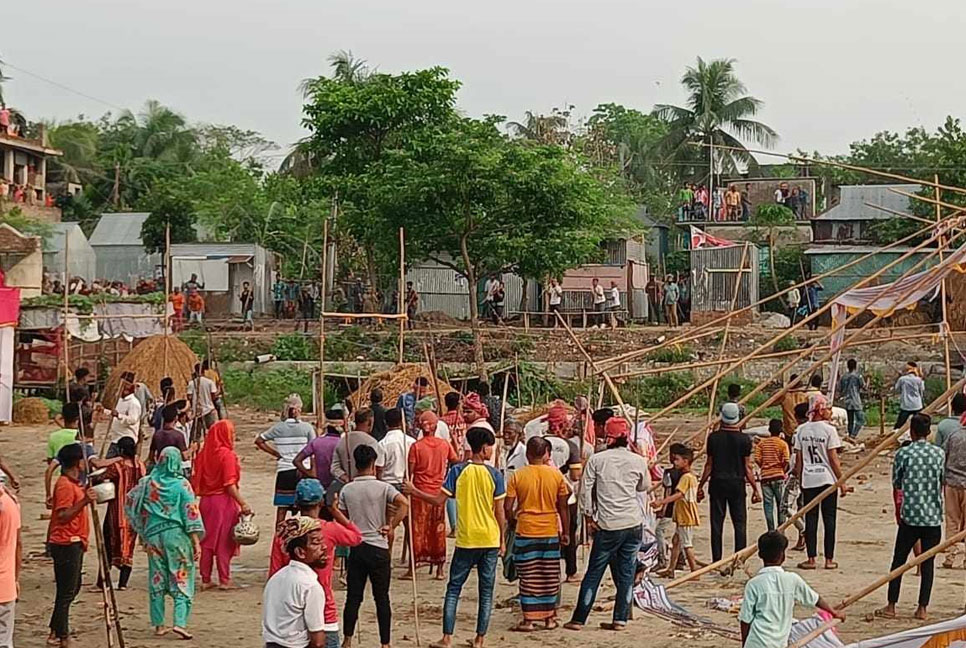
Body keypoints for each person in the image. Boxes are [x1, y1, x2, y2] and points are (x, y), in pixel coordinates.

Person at [405, 426, 505, 648]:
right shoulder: (495, 475)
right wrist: (502, 541)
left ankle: (447, 637)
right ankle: (479, 639)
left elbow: (438, 501)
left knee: (454, 589)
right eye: (490, 447)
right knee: (486, 592)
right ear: (484, 448)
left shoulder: (458, 472)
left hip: (467, 539)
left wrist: (415, 491)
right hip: (489, 538)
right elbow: (500, 513)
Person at [565, 417, 649, 632]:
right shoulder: (638, 460)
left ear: (608, 437)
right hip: (633, 523)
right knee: (626, 572)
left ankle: (579, 619)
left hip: (609, 524)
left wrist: (589, 516)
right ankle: (620, 618)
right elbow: (644, 487)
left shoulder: (597, 459)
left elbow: (585, 491)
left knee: (594, 573)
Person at [268, 480, 362, 648]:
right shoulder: (329, 529)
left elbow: (274, 574)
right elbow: (356, 537)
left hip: (291, 617)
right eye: (317, 543)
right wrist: (335, 511)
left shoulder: (284, 533)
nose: (323, 547)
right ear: (320, 502)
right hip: (323, 612)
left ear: (296, 503)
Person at [124, 446, 204, 639]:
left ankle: (159, 624)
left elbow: (130, 501)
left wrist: (143, 527)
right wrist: (195, 542)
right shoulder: (181, 485)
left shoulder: (147, 483)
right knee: (182, 576)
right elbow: (190, 513)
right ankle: (180, 622)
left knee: (157, 578)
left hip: (153, 537)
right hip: (176, 537)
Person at [339, 445, 409, 648]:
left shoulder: (347, 489)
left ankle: (347, 639)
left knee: (353, 597)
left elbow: (342, 517)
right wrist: (391, 525)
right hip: (378, 547)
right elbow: (404, 503)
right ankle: (385, 643)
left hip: (358, 547)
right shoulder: (383, 487)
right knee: (382, 598)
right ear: (373, 464)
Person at [876, 414, 944, 621]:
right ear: (929, 432)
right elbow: (943, 481)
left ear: (912, 432)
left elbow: (897, 482)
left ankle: (891, 605)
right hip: (933, 516)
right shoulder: (939, 454)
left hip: (910, 515)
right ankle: (922, 608)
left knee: (899, 560)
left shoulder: (903, 454)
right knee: (928, 563)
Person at [505, 436, 570, 631]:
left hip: (526, 529)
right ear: (545, 454)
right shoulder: (556, 476)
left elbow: (508, 506)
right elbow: (564, 507)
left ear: (527, 454)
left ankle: (529, 619)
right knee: (549, 574)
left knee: (528, 574)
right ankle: (549, 618)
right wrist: (565, 531)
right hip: (549, 529)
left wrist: (513, 520)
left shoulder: (518, 476)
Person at [739, 531, 844, 648]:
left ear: (760, 555)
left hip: (756, 642)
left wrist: (744, 644)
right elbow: (815, 599)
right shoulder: (792, 579)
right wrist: (834, 612)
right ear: (783, 556)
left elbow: (745, 620)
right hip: (779, 643)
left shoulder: (753, 584)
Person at [191, 420, 252, 590]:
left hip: (206, 502)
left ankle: (205, 578)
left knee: (207, 541)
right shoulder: (227, 456)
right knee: (224, 542)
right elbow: (229, 485)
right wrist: (243, 503)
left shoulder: (204, 454)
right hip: (223, 502)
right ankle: (225, 579)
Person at [47, 444, 96, 647]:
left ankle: (55, 629)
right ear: (77, 462)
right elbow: (63, 515)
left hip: (75, 540)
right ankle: (62, 635)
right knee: (66, 591)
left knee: (72, 588)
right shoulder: (65, 485)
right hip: (66, 542)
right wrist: (84, 501)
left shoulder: (74, 483)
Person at [698, 402, 761, 562]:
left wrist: (700, 485)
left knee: (716, 523)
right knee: (740, 523)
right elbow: (747, 467)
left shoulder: (713, 438)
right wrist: (755, 488)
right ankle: (739, 558)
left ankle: (717, 559)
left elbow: (709, 465)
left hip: (717, 483)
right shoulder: (744, 439)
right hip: (737, 484)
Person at [793, 401, 845, 570]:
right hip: (827, 479)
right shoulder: (829, 430)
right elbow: (833, 459)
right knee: (830, 520)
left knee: (811, 519)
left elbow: (799, 460)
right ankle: (829, 559)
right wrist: (842, 482)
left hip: (809, 480)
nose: (830, 412)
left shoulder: (801, 430)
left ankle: (812, 558)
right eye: (827, 409)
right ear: (819, 411)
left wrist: (800, 480)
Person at [262, 516, 328, 648]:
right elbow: (318, 642)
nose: (324, 547)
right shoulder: (310, 586)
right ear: (300, 552)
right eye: (316, 543)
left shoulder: (276, 578)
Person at [407, 410, 458, 579]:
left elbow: (409, 472)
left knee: (418, 530)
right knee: (438, 529)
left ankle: (414, 566)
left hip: (419, 493)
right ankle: (440, 570)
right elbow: (456, 460)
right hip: (438, 493)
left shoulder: (416, 446)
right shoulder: (444, 444)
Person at [96, 436, 146, 590]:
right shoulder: (140, 466)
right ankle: (123, 583)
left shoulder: (117, 467)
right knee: (128, 546)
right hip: (133, 513)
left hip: (116, 512)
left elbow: (99, 477)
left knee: (108, 545)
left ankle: (102, 581)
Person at [257, 401, 318, 526]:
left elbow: (259, 441)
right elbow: (313, 450)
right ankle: (303, 535)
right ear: (299, 410)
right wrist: (313, 470)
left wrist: (276, 453)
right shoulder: (307, 428)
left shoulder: (278, 428)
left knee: (282, 508)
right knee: (305, 508)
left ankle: (278, 539)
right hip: (303, 470)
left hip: (284, 470)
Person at [651, 444, 700, 579]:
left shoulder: (686, 477)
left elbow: (678, 494)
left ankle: (695, 571)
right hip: (682, 514)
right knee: (677, 541)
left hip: (686, 514)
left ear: (685, 461)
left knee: (687, 543)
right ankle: (671, 569)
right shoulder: (689, 477)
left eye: (677, 459)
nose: (674, 462)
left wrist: (661, 502)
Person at [936, 393, 966, 568]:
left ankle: (950, 557)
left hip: (952, 484)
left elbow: (942, 456)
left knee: (952, 521)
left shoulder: (953, 435)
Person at [330, 409, 385, 491]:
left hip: (348, 488)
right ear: (370, 422)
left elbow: (334, 468)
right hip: (368, 488)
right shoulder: (372, 442)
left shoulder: (343, 440)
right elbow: (379, 468)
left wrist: (346, 478)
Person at [294, 409, 344, 489]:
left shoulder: (316, 442)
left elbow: (296, 460)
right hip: (340, 487)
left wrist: (309, 473)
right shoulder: (344, 443)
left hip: (320, 488)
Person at [754, 419, 790, 532]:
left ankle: (770, 530)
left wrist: (764, 467)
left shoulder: (762, 444)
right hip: (778, 475)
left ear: (769, 430)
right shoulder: (783, 444)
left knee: (768, 505)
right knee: (781, 505)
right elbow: (786, 460)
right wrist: (782, 470)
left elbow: (757, 459)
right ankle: (781, 530)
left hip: (765, 477)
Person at [655, 443, 685, 571]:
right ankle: (681, 559)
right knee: (679, 533)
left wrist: (663, 507)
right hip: (682, 507)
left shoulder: (669, 473)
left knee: (659, 531)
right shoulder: (686, 473)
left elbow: (668, 491)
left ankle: (662, 559)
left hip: (671, 506)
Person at [0, 480, 21, 648]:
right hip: (6, 584)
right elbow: (18, 545)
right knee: (5, 640)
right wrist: (16, 578)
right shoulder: (11, 504)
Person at [108, 372, 142, 458]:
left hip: (126, 441)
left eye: (125, 385)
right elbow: (114, 414)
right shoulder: (119, 400)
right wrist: (104, 411)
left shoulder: (134, 403)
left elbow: (132, 420)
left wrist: (119, 415)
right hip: (115, 439)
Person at [149, 403, 190, 467]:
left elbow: (151, 456)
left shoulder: (157, 435)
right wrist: (192, 450)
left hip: (161, 467)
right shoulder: (178, 436)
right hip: (175, 469)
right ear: (176, 418)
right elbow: (185, 457)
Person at [187, 364, 219, 436]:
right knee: (211, 432)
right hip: (208, 409)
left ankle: (196, 445)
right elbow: (213, 395)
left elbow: (189, 397)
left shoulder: (192, 383)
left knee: (196, 434)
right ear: (204, 371)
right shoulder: (210, 382)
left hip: (197, 411)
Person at [838, 358, 865, 439]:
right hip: (856, 400)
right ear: (855, 366)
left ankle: (850, 435)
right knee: (861, 420)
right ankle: (853, 435)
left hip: (847, 400)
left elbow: (840, 388)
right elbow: (863, 386)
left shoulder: (843, 377)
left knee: (850, 421)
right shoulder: (858, 376)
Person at [894, 361, 925, 430]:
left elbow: (896, 388)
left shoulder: (902, 379)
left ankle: (895, 433)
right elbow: (922, 390)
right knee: (919, 423)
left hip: (906, 404)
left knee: (899, 424)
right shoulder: (918, 380)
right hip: (917, 404)